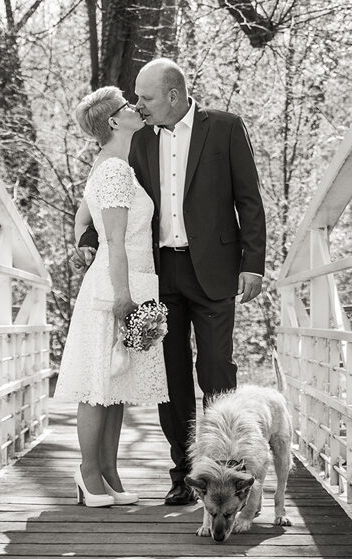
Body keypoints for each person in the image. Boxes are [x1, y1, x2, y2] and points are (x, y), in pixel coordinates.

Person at [77, 58, 267, 505]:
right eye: (135, 101)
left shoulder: (224, 128)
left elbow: (249, 199)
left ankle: (225, 468)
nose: (139, 106)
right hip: (161, 274)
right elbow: (109, 195)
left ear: (174, 96)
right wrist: (91, 234)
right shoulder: (138, 140)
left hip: (216, 269)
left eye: (145, 97)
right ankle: (184, 474)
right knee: (172, 377)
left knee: (217, 369)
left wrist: (252, 263)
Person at [55, 86, 169, 507]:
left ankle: (109, 471)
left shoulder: (113, 166)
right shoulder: (115, 170)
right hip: (115, 285)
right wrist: (123, 297)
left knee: (116, 385)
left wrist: (81, 240)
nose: (136, 108)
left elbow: (85, 218)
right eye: (127, 106)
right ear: (113, 122)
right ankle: (88, 473)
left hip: (133, 278)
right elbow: (116, 241)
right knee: (97, 384)